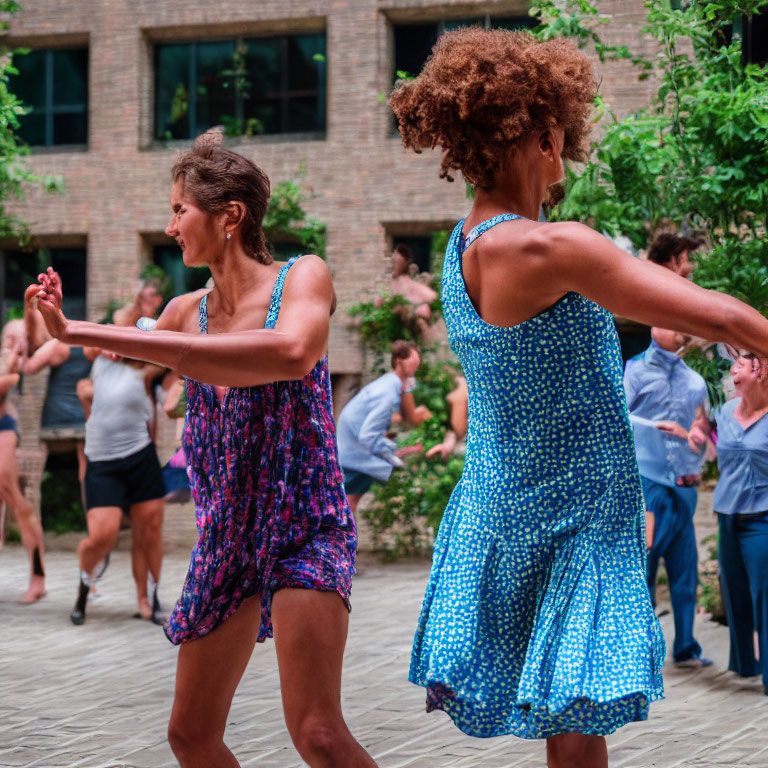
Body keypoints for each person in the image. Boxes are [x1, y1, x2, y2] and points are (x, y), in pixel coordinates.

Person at [389, 27, 768, 767]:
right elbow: (718, 314)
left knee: (572, 727)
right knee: (575, 726)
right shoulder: (547, 246)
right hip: (572, 516)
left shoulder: (460, 247)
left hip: (503, 509)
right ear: (547, 134)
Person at [31, 130, 376, 768]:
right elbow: (137, 353)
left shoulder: (302, 278)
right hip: (227, 537)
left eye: (180, 210)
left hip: (304, 523)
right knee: (190, 735)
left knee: (318, 734)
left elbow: (291, 353)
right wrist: (61, 329)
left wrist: (93, 330)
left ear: (230, 216)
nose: (170, 227)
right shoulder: (183, 311)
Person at [624, 327, 711, 667]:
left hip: (683, 489)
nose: (675, 328)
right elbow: (618, 419)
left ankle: (686, 647)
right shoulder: (634, 370)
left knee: (685, 569)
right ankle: (640, 651)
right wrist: (653, 426)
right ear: (653, 326)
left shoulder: (695, 382)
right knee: (643, 569)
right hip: (647, 486)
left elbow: (702, 433)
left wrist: (696, 449)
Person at [68, 344, 167, 626]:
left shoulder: (144, 368)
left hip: (140, 456)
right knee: (102, 535)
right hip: (103, 463)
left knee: (149, 530)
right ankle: (83, 586)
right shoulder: (91, 376)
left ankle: (150, 598)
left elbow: (168, 363)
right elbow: (88, 351)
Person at [711, 350, 768, 695]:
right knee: (733, 590)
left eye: (742, 365)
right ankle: (745, 663)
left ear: (761, 373)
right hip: (727, 516)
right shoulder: (723, 413)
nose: (733, 370)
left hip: (762, 519)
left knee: (765, 594)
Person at [337, 340, 428, 514]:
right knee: (348, 503)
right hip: (356, 450)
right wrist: (391, 452)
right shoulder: (388, 392)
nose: (417, 364)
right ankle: (344, 538)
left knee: (349, 501)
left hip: (354, 447)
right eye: (413, 359)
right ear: (400, 361)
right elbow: (368, 435)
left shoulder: (391, 384)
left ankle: (344, 537)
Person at [0, 319, 47, 602]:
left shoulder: (20, 368)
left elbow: (6, 383)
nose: (10, 339)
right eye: (8, 335)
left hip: (5, 430)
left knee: (15, 500)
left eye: (17, 337)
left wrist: (15, 357)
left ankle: (38, 578)